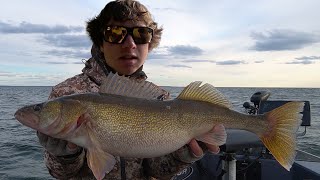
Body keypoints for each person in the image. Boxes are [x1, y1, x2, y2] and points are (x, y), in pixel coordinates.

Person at [37, 0, 220, 179]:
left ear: (149, 45)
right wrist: (66, 156)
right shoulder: (66, 94)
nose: (130, 44)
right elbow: (59, 174)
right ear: (100, 43)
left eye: (141, 34)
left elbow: (157, 171)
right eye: (115, 33)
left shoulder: (160, 98)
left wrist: (181, 157)